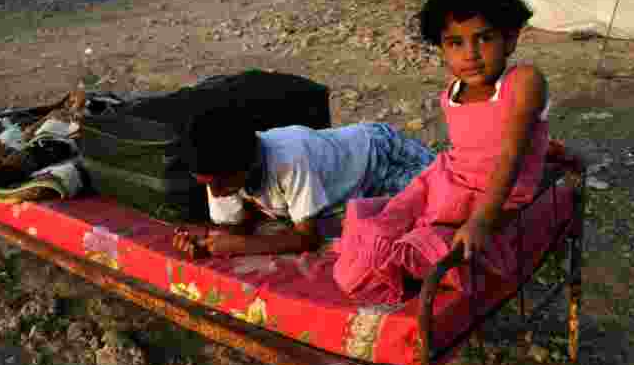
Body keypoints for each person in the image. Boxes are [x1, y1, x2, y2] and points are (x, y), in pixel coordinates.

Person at [332, 0, 549, 304]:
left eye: (484, 38)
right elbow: (470, 146)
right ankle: (383, 256)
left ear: (511, 37)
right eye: (455, 43)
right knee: (386, 219)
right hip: (449, 178)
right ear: (442, 48)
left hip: (493, 192)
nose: (471, 53)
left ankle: (412, 257)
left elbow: (510, 154)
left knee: (433, 242)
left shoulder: (523, 81)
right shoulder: (452, 93)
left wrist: (481, 221)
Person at [171, 109, 436, 257]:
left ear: (247, 164)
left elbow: (307, 238)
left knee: (452, 193)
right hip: (353, 189)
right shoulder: (218, 170)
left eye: (219, 185)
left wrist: (240, 246)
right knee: (397, 218)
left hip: (380, 155)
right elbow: (235, 226)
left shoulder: (289, 158)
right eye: (206, 185)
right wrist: (205, 240)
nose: (215, 194)